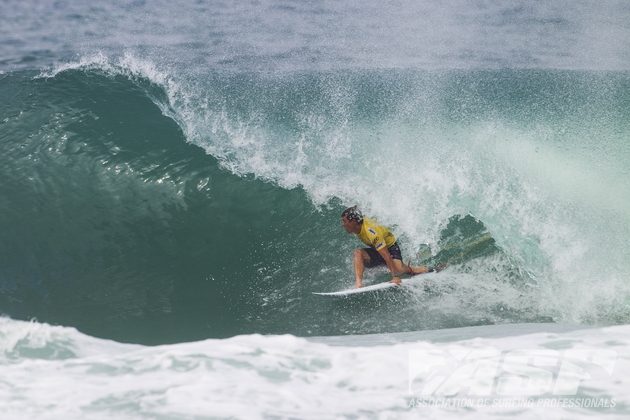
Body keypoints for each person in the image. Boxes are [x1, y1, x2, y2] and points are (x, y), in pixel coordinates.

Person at [341, 206, 441, 288]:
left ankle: (429, 269)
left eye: (345, 222)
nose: (343, 225)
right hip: (378, 249)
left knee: (399, 270)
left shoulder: (371, 232)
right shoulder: (358, 226)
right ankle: (358, 284)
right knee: (358, 253)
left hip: (391, 249)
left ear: (353, 221)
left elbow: (387, 255)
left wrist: (395, 277)